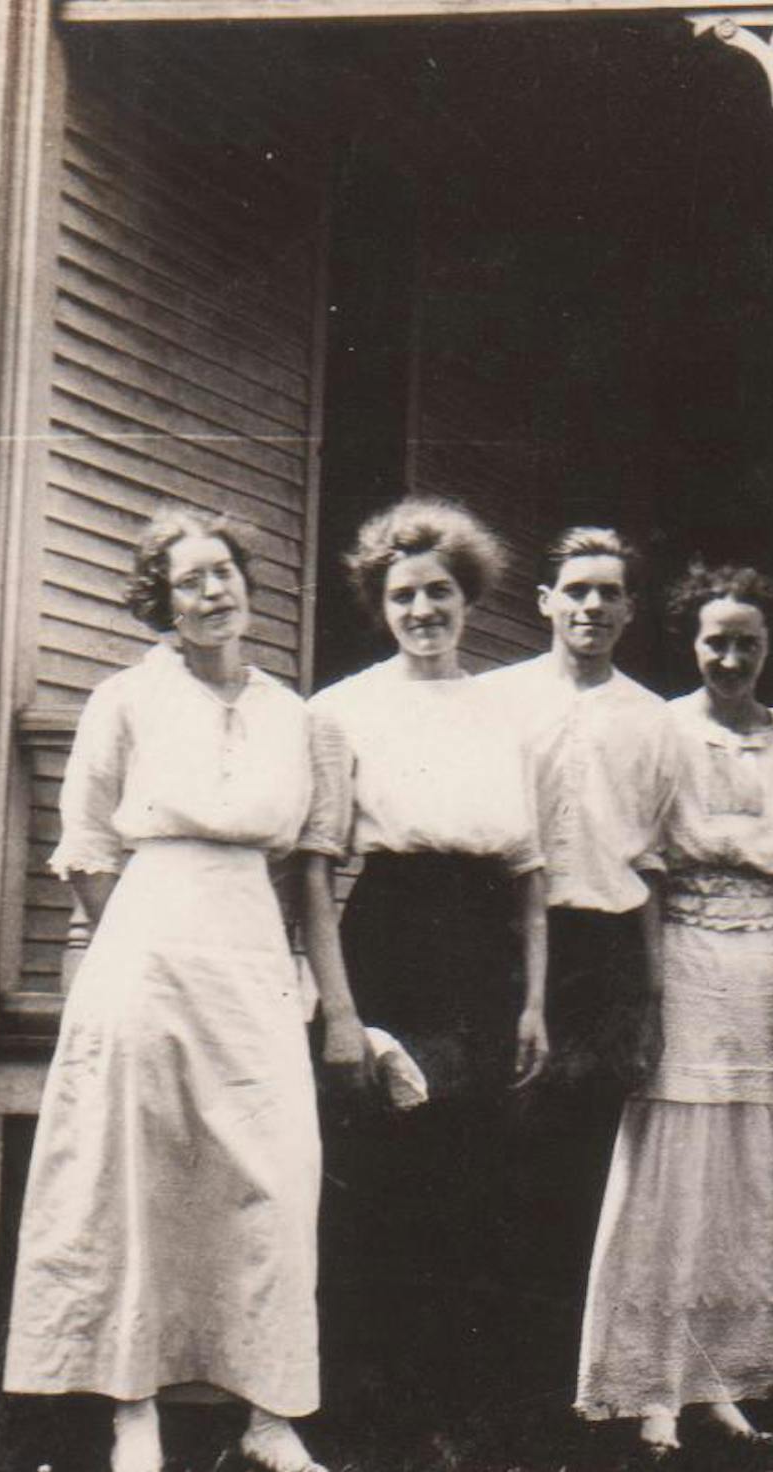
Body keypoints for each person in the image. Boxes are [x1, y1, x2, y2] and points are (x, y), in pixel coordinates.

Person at [4, 505, 330, 1472]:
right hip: (147, 943)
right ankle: (132, 1409)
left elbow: (299, 850)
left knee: (276, 1173)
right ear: (160, 600)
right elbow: (89, 845)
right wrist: (135, 941)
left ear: (245, 581)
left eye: (223, 570)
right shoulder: (126, 700)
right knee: (141, 1172)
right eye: (189, 580)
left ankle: (270, 1415)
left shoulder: (291, 712)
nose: (212, 591)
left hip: (248, 945)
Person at [576, 566, 773, 1454]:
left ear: (772, 649)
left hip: (768, 965)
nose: (731, 658)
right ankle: (654, 1389)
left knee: (753, 1180)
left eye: (749, 643)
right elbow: (644, 864)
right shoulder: (662, 732)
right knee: (675, 1177)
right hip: (684, 959)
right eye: (715, 642)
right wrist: (650, 991)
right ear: (692, 643)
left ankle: (724, 1381)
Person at [300, 496, 549, 1418]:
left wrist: (533, 1001)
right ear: (381, 603)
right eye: (404, 595)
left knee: (477, 1157)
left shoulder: (505, 712)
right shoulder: (343, 710)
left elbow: (529, 869)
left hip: (482, 937)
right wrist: (336, 1005)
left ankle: (464, 1392)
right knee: (386, 1154)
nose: (423, 611)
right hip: (393, 932)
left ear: (468, 596)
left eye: (439, 591)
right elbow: (317, 870)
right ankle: (374, 1394)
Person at [480, 528, 677, 1367]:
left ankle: (569, 1368)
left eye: (610, 592)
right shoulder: (493, 701)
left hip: (603, 948)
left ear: (630, 609)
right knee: (500, 1147)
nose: (592, 605)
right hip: (503, 939)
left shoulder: (653, 720)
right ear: (546, 601)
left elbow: (654, 862)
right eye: (578, 590)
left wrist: (655, 995)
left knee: (584, 1156)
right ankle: (495, 1360)